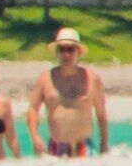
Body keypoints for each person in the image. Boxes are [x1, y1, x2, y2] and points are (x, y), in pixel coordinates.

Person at [34, 28, 109, 157]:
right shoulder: (45, 78)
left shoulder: (92, 79)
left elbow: (101, 114)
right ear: (57, 53)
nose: (66, 54)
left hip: (83, 147)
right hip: (55, 146)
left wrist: (104, 142)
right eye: (62, 50)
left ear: (78, 52)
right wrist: (35, 137)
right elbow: (32, 110)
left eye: (70, 50)